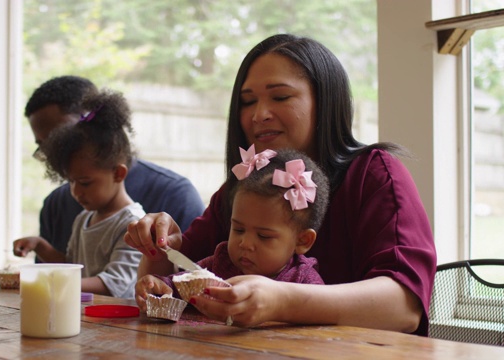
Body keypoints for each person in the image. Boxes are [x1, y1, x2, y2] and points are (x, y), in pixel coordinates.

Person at [124, 34, 437, 335]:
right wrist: (158, 246)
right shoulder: (245, 187)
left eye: (280, 97)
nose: (259, 115)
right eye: (247, 102)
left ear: (325, 101)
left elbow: (404, 307)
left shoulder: (375, 175)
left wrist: (282, 300)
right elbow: (177, 278)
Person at [16, 76, 205, 262]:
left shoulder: (175, 195)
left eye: (62, 136)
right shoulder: (56, 206)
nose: (57, 150)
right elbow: (57, 278)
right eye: (45, 145)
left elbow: (194, 278)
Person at [135, 148, 329, 310]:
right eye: (238, 230)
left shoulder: (305, 282)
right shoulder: (220, 265)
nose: (245, 243)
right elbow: (180, 285)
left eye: (263, 236)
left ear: (302, 241)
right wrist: (159, 285)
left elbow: (321, 320)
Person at [13, 89, 144, 299]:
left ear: (118, 174)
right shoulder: (84, 218)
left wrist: (52, 281)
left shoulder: (134, 225)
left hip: (118, 324)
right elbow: (71, 268)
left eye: (84, 182)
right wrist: (40, 246)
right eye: (71, 181)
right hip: (87, 318)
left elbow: (114, 283)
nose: (75, 191)